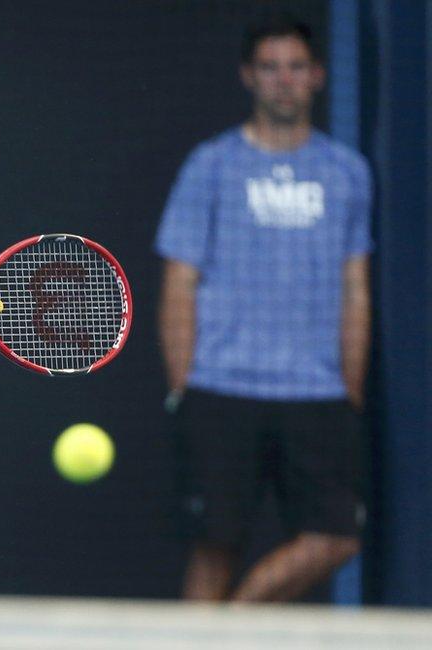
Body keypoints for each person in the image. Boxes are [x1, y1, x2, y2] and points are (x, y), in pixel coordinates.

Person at [155, 12, 372, 602]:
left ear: (318, 76)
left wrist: (349, 387)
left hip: (317, 394)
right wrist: (185, 385)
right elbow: (180, 281)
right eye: (270, 67)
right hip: (221, 388)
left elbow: (356, 284)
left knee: (337, 537)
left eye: (296, 67)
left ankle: (234, 626)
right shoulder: (211, 166)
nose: (284, 80)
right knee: (212, 548)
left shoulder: (348, 173)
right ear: (249, 76)